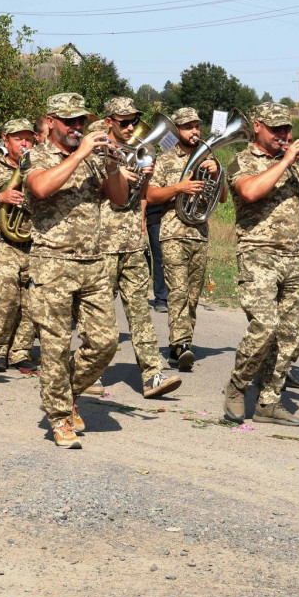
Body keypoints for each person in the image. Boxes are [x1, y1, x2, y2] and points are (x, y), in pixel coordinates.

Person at [22, 92, 130, 449]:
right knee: (54, 346)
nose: (77, 127)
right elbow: (40, 187)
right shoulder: (36, 155)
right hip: (52, 263)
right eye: (69, 121)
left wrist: (113, 165)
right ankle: (59, 416)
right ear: (50, 120)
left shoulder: (94, 157)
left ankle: (64, 393)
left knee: (105, 343)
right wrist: (81, 153)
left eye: (81, 121)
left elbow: (119, 198)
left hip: (93, 263)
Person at [222, 102, 299, 427]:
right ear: (257, 126)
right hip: (257, 254)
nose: (283, 135)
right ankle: (237, 386)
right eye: (276, 129)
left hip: (294, 256)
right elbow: (250, 192)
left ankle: (269, 401)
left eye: (287, 129)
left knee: (288, 334)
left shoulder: (296, 165)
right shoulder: (242, 161)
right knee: (264, 326)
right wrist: (285, 161)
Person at [99, 97, 181, 398]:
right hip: (103, 243)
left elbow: (142, 196)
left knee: (140, 314)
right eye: (124, 122)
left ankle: (152, 375)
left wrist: (144, 181)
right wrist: (116, 174)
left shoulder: (140, 151)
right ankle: (91, 372)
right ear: (109, 121)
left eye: (134, 120)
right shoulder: (96, 150)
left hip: (132, 242)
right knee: (100, 316)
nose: (131, 126)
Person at [146, 107, 221, 372]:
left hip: (199, 234)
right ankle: (179, 345)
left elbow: (221, 198)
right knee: (177, 290)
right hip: (172, 231)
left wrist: (214, 173)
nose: (195, 131)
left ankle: (182, 343)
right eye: (188, 127)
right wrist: (179, 187)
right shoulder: (165, 159)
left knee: (192, 295)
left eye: (197, 126)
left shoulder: (208, 156)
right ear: (177, 130)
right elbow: (152, 195)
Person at [0, 118, 37, 372]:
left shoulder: (40, 162)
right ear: (6, 140)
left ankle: (20, 351)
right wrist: (0, 197)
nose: (24, 143)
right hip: (5, 241)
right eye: (18, 138)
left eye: (28, 138)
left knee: (32, 301)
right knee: (5, 298)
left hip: (35, 241)